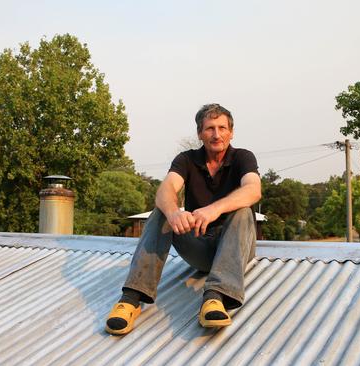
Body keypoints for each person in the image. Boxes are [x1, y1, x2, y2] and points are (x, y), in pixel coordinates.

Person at [105, 103, 261, 335]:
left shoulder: (243, 157)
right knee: (161, 211)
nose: (216, 134)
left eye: (221, 128)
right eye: (209, 128)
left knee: (243, 210)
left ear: (231, 132)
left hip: (235, 248)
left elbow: (253, 190)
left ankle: (215, 298)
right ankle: (131, 298)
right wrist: (174, 212)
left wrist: (214, 209)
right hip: (199, 247)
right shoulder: (187, 159)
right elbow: (166, 189)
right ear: (200, 133)